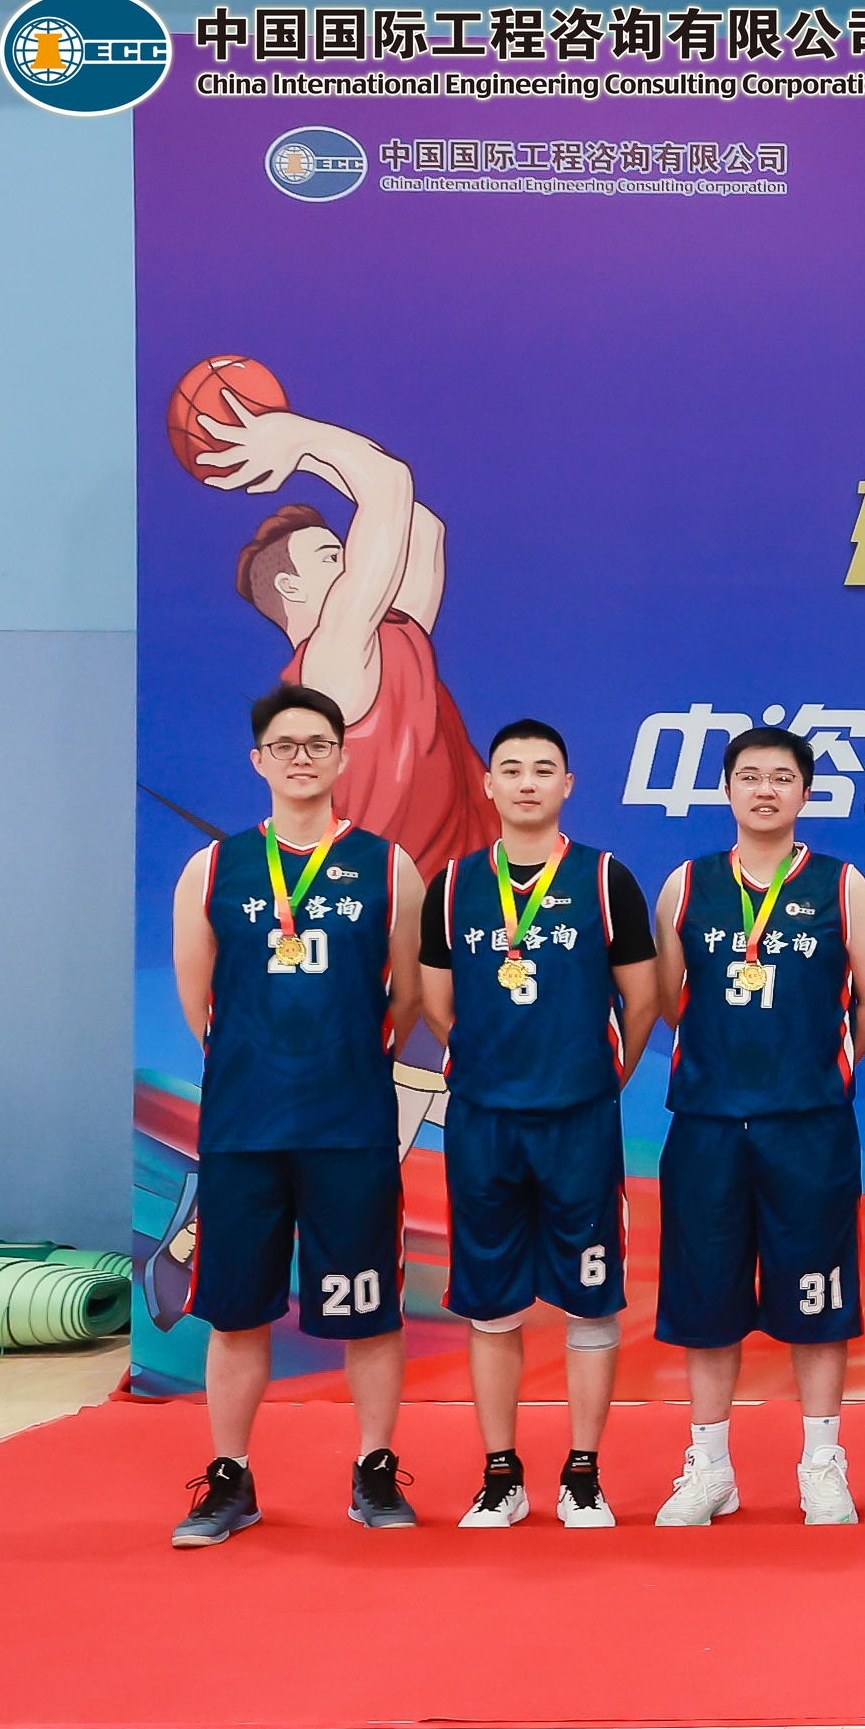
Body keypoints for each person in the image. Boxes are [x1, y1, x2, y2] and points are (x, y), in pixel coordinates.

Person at [193, 391, 496, 1156]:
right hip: (396, 948)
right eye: (334, 557)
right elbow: (387, 486)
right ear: (292, 589)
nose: (358, 560)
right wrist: (293, 436)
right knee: (362, 1154)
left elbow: (420, 524)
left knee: (440, 1127)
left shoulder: (395, 638)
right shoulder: (330, 665)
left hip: (460, 933)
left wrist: (305, 456)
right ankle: (218, 1215)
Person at [168, 685, 428, 1546]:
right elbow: (200, 1001)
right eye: (285, 745)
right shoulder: (214, 868)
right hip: (244, 1128)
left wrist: (340, 1064)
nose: (302, 758)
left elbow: (405, 997)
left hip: (350, 1129)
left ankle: (375, 1467)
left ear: (343, 757)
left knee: (369, 1309)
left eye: (318, 744)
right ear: (259, 761)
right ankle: (230, 1477)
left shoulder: (388, 867)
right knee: (236, 1310)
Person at [648, 727, 865, 1527]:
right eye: (749, 777)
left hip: (809, 1127)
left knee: (817, 1299)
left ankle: (821, 1463)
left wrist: (819, 1068)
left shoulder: (841, 884)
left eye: (781, 778)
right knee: (706, 1302)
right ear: (727, 790)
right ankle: (710, 1468)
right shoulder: (687, 884)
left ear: (804, 793)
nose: (764, 790)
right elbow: (666, 997)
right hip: (709, 1124)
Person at [419, 720, 661, 1529]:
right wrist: (493, 1066)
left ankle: (583, 1473)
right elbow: (438, 1004)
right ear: (488, 783)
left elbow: (643, 997)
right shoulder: (453, 886)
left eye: (543, 769)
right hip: (484, 1123)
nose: (527, 782)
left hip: (578, 1122)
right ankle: (502, 1474)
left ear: (567, 785)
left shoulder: (605, 879)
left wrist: (596, 1075)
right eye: (512, 769)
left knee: (590, 1302)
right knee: (491, 1304)